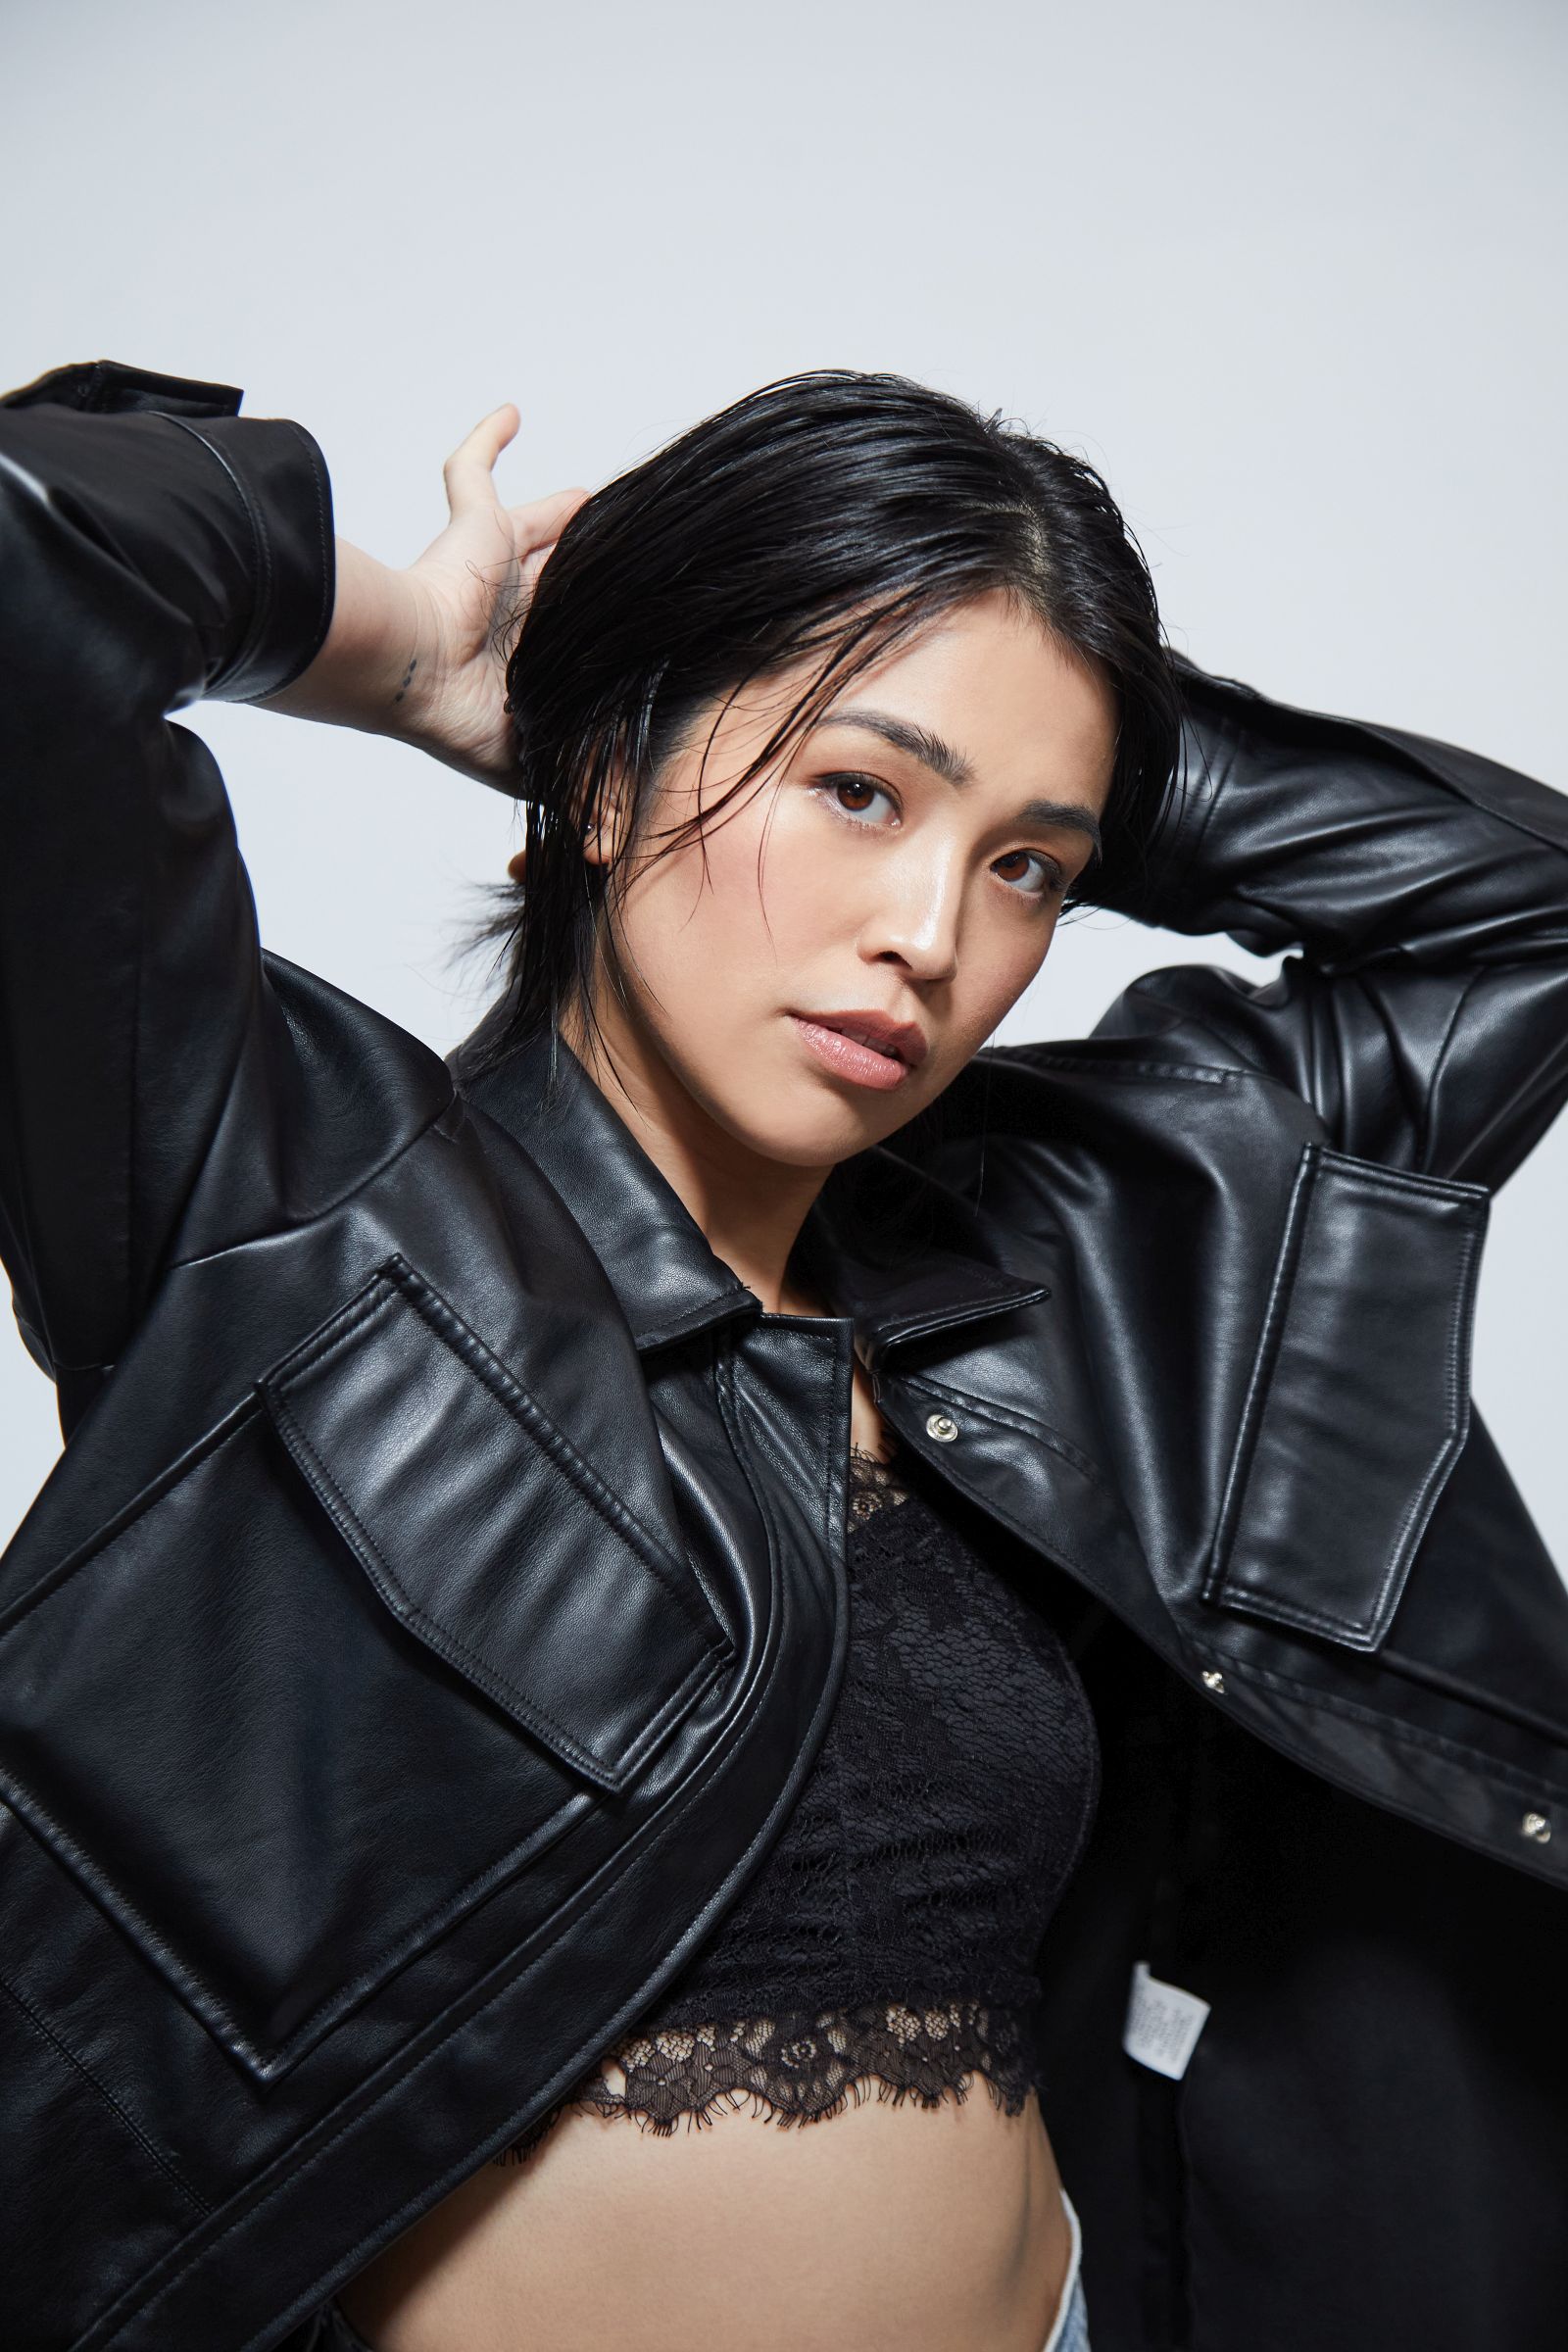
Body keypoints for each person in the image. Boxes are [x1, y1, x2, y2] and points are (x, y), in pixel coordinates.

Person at [0, 355, 1563, 2352]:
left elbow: (1522, 924)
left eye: (1026, 870)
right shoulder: (289, 1202)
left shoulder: (1081, 1256)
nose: (931, 930)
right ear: (599, 772)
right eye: (855, 790)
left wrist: (1058, 716)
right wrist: (400, 652)